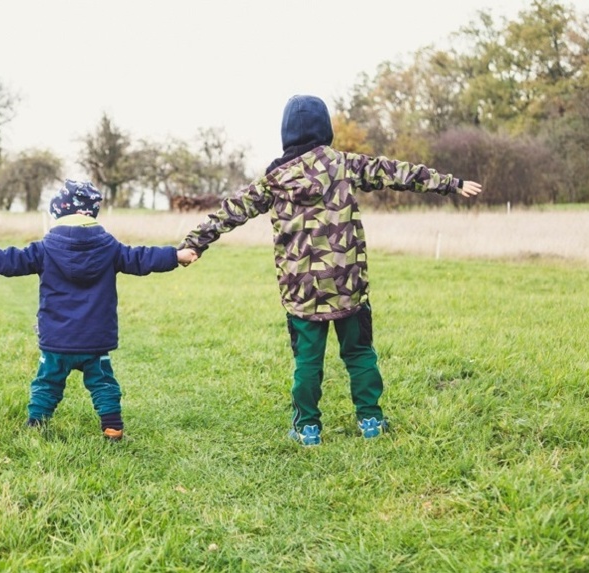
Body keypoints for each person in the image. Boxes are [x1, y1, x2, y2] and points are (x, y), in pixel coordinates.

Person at [179, 94, 483, 446]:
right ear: (325, 129)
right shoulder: (343, 165)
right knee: (359, 353)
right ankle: (370, 420)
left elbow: (231, 211)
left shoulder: (274, 180)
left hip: (302, 292)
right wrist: (451, 183)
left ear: (287, 134)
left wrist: (195, 243)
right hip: (348, 284)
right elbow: (395, 172)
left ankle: (308, 428)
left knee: (307, 362)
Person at [0, 180, 198, 441]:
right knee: (103, 383)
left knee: (47, 382)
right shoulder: (110, 248)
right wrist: (175, 256)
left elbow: (9, 260)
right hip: (95, 339)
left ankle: (36, 424)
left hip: (57, 339)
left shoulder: (44, 248)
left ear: (59, 213)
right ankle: (112, 427)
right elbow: (141, 257)